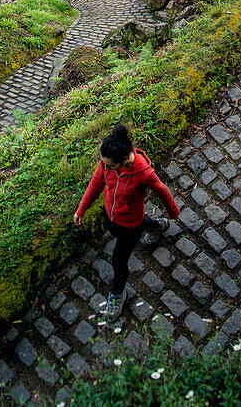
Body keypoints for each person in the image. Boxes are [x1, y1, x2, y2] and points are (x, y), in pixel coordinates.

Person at [74, 124, 180, 322]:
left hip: (130, 225)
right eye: (104, 163)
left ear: (123, 160)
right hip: (111, 215)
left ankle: (118, 294)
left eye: (110, 166)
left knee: (118, 261)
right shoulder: (107, 162)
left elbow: (162, 190)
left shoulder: (143, 173)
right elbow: (97, 182)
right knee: (141, 225)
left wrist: (173, 210)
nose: (105, 167)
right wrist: (82, 208)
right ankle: (157, 226)